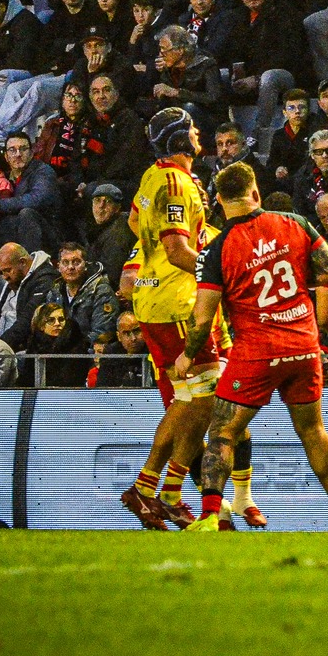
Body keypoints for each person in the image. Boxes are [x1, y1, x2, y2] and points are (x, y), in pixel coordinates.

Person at [171, 161, 328, 533]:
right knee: (314, 431)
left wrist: (188, 355)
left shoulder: (216, 249)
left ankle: (210, 515)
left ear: (220, 202)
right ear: (255, 193)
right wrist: (326, 317)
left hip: (256, 351)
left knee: (223, 431)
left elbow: (203, 317)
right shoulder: (296, 223)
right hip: (303, 346)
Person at [116, 109, 216, 530]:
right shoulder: (175, 182)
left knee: (196, 398)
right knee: (201, 396)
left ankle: (168, 494)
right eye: (192, 128)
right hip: (174, 300)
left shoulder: (155, 175)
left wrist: (150, 249)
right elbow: (177, 249)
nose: (197, 132)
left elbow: (136, 218)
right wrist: (216, 274)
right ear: (179, 138)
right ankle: (147, 487)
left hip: (160, 296)